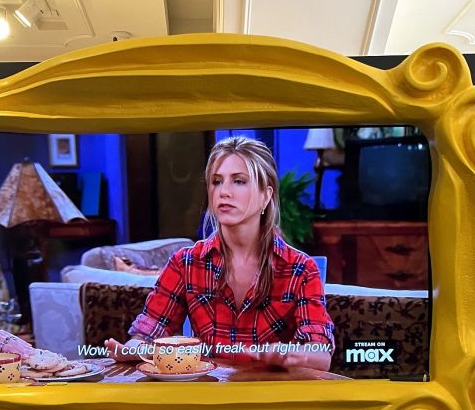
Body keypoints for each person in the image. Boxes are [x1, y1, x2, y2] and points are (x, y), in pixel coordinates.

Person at [105, 136, 335, 371]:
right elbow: (148, 333)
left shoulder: (300, 269)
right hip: (208, 389)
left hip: (272, 391)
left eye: (239, 181)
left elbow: (320, 355)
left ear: (266, 195)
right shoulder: (186, 263)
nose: (224, 192)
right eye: (216, 181)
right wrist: (130, 350)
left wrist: (287, 355)